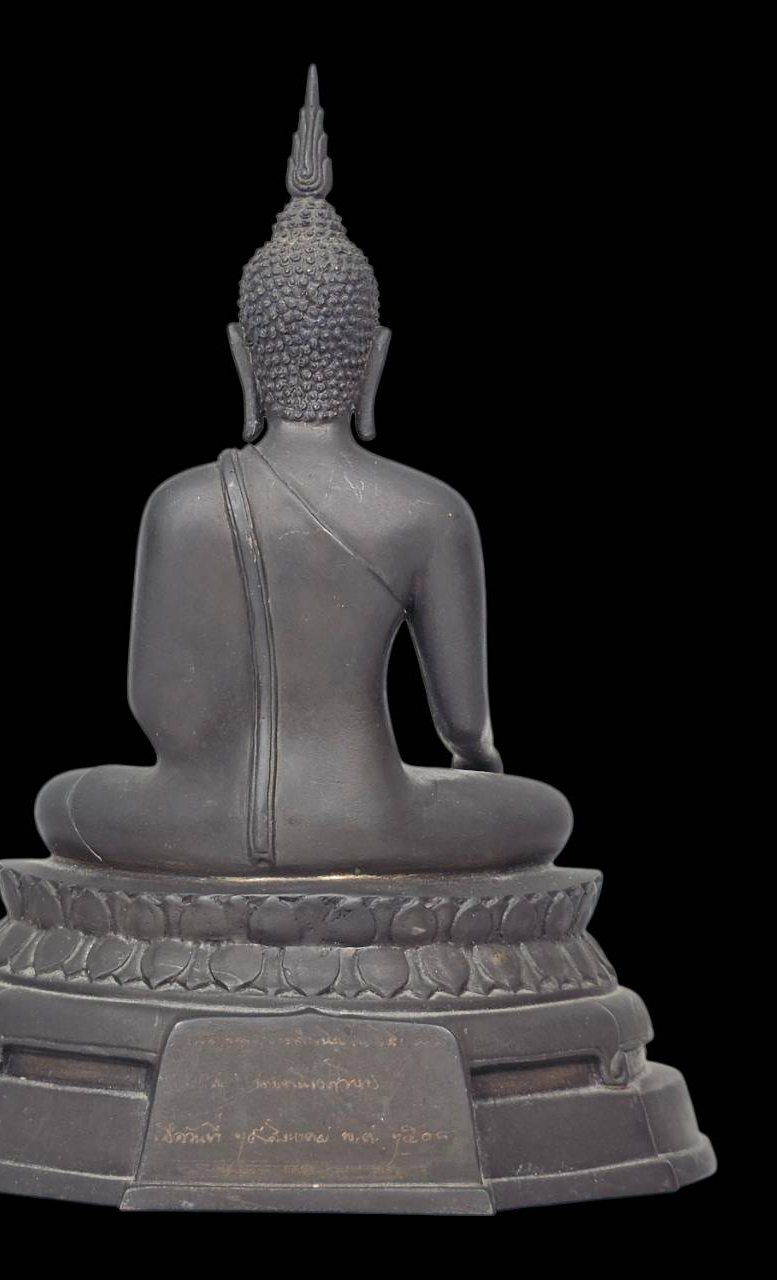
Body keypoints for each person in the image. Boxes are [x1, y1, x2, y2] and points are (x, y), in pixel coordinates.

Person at [35, 68, 572, 875]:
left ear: (242, 358)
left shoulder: (179, 505)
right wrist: (474, 777)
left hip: (202, 823)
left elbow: (157, 709)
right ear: (375, 360)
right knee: (545, 813)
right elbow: (465, 728)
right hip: (372, 820)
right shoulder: (430, 510)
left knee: (61, 800)